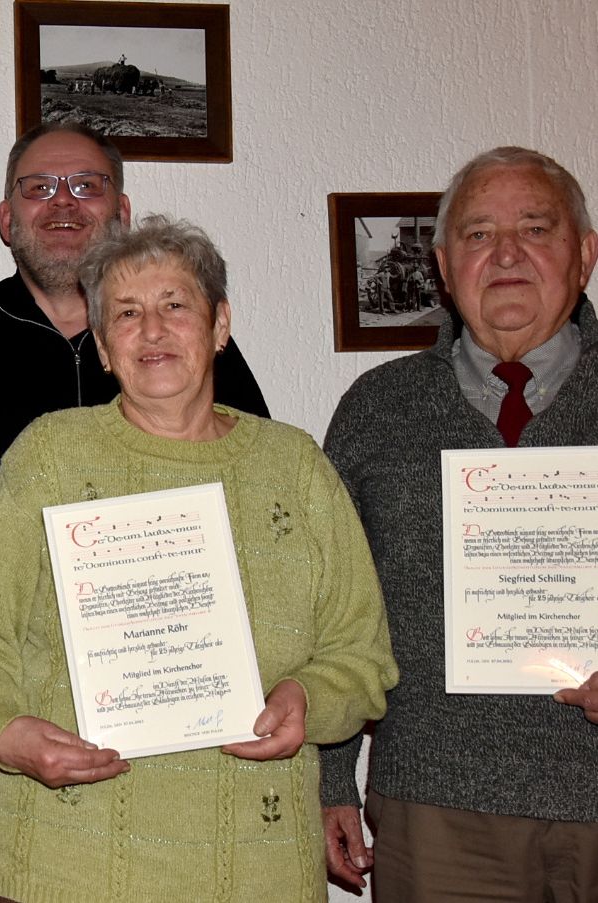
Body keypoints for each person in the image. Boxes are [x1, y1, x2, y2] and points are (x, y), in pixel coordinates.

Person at [0, 215, 397, 902]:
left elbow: (362, 655)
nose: (150, 330)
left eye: (174, 305)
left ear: (219, 326)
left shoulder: (293, 465)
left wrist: (308, 698)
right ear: (101, 345)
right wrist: (8, 734)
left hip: (253, 865)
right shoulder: (48, 455)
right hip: (65, 862)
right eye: (125, 312)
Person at [0, 120, 270, 903]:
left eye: (85, 186)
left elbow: (257, 510)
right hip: (0, 709)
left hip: (171, 700)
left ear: (121, 210)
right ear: (6, 218)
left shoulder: (182, 344)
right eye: (38, 188)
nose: (62, 204)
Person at [320, 147, 598, 901]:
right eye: (477, 235)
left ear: (584, 254)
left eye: (535, 228)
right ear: (443, 266)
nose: (505, 253)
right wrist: (329, 777)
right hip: (434, 806)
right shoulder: (377, 409)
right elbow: (334, 609)